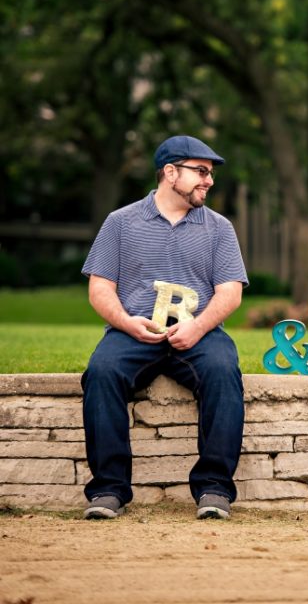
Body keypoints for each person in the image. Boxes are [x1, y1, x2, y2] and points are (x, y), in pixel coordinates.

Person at [80, 135, 248, 520]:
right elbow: (100, 288)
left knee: (224, 372)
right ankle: (109, 489)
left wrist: (199, 327)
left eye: (210, 174)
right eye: (201, 172)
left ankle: (214, 488)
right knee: (102, 372)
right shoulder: (120, 222)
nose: (209, 180)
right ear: (170, 173)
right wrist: (127, 323)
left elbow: (230, 293)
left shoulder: (219, 228)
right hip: (134, 331)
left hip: (199, 333)